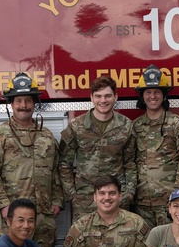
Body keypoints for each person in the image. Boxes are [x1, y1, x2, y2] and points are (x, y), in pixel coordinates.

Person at [0, 73, 63, 247]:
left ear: (35, 103)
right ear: (11, 104)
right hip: (12, 215)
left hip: (43, 216)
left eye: (28, 100)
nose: (23, 105)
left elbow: (56, 170)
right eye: (18, 101)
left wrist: (57, 201)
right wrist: (3, 205)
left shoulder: (47, 136)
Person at [58, 75, 137, 217]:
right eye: (98, 96)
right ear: (92, 98)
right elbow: (64, 163)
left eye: (108, 96)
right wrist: (72, 195)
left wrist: (129, 193)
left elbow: (130, 163)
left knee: (118, 238)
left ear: (115, 97)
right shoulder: (77, 126)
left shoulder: (126, 126)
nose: (103, 100)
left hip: (116, 199)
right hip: (85, 200)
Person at [132, 65, 179, 227]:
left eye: (157, 92)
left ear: (164, 95)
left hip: (169, 206)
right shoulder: (134, 127)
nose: (153, 96)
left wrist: (177, 199)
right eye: (148, 92)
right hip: (141, 205)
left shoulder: (178, 125)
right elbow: (129, 163)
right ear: (142, 96)